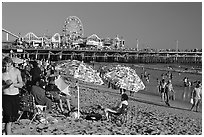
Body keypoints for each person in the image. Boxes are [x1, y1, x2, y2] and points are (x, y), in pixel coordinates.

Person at [2, 56, 23, 135]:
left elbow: (21, 84)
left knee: (13, 117)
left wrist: (13, 84)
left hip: (15, 95)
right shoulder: (1, 72)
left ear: (12, 65)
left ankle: (6, 131)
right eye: (5, 66)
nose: (6, 68)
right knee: (8, 119)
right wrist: (5, 86)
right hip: (6, 95)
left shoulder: (17, 71)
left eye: (8, 66)